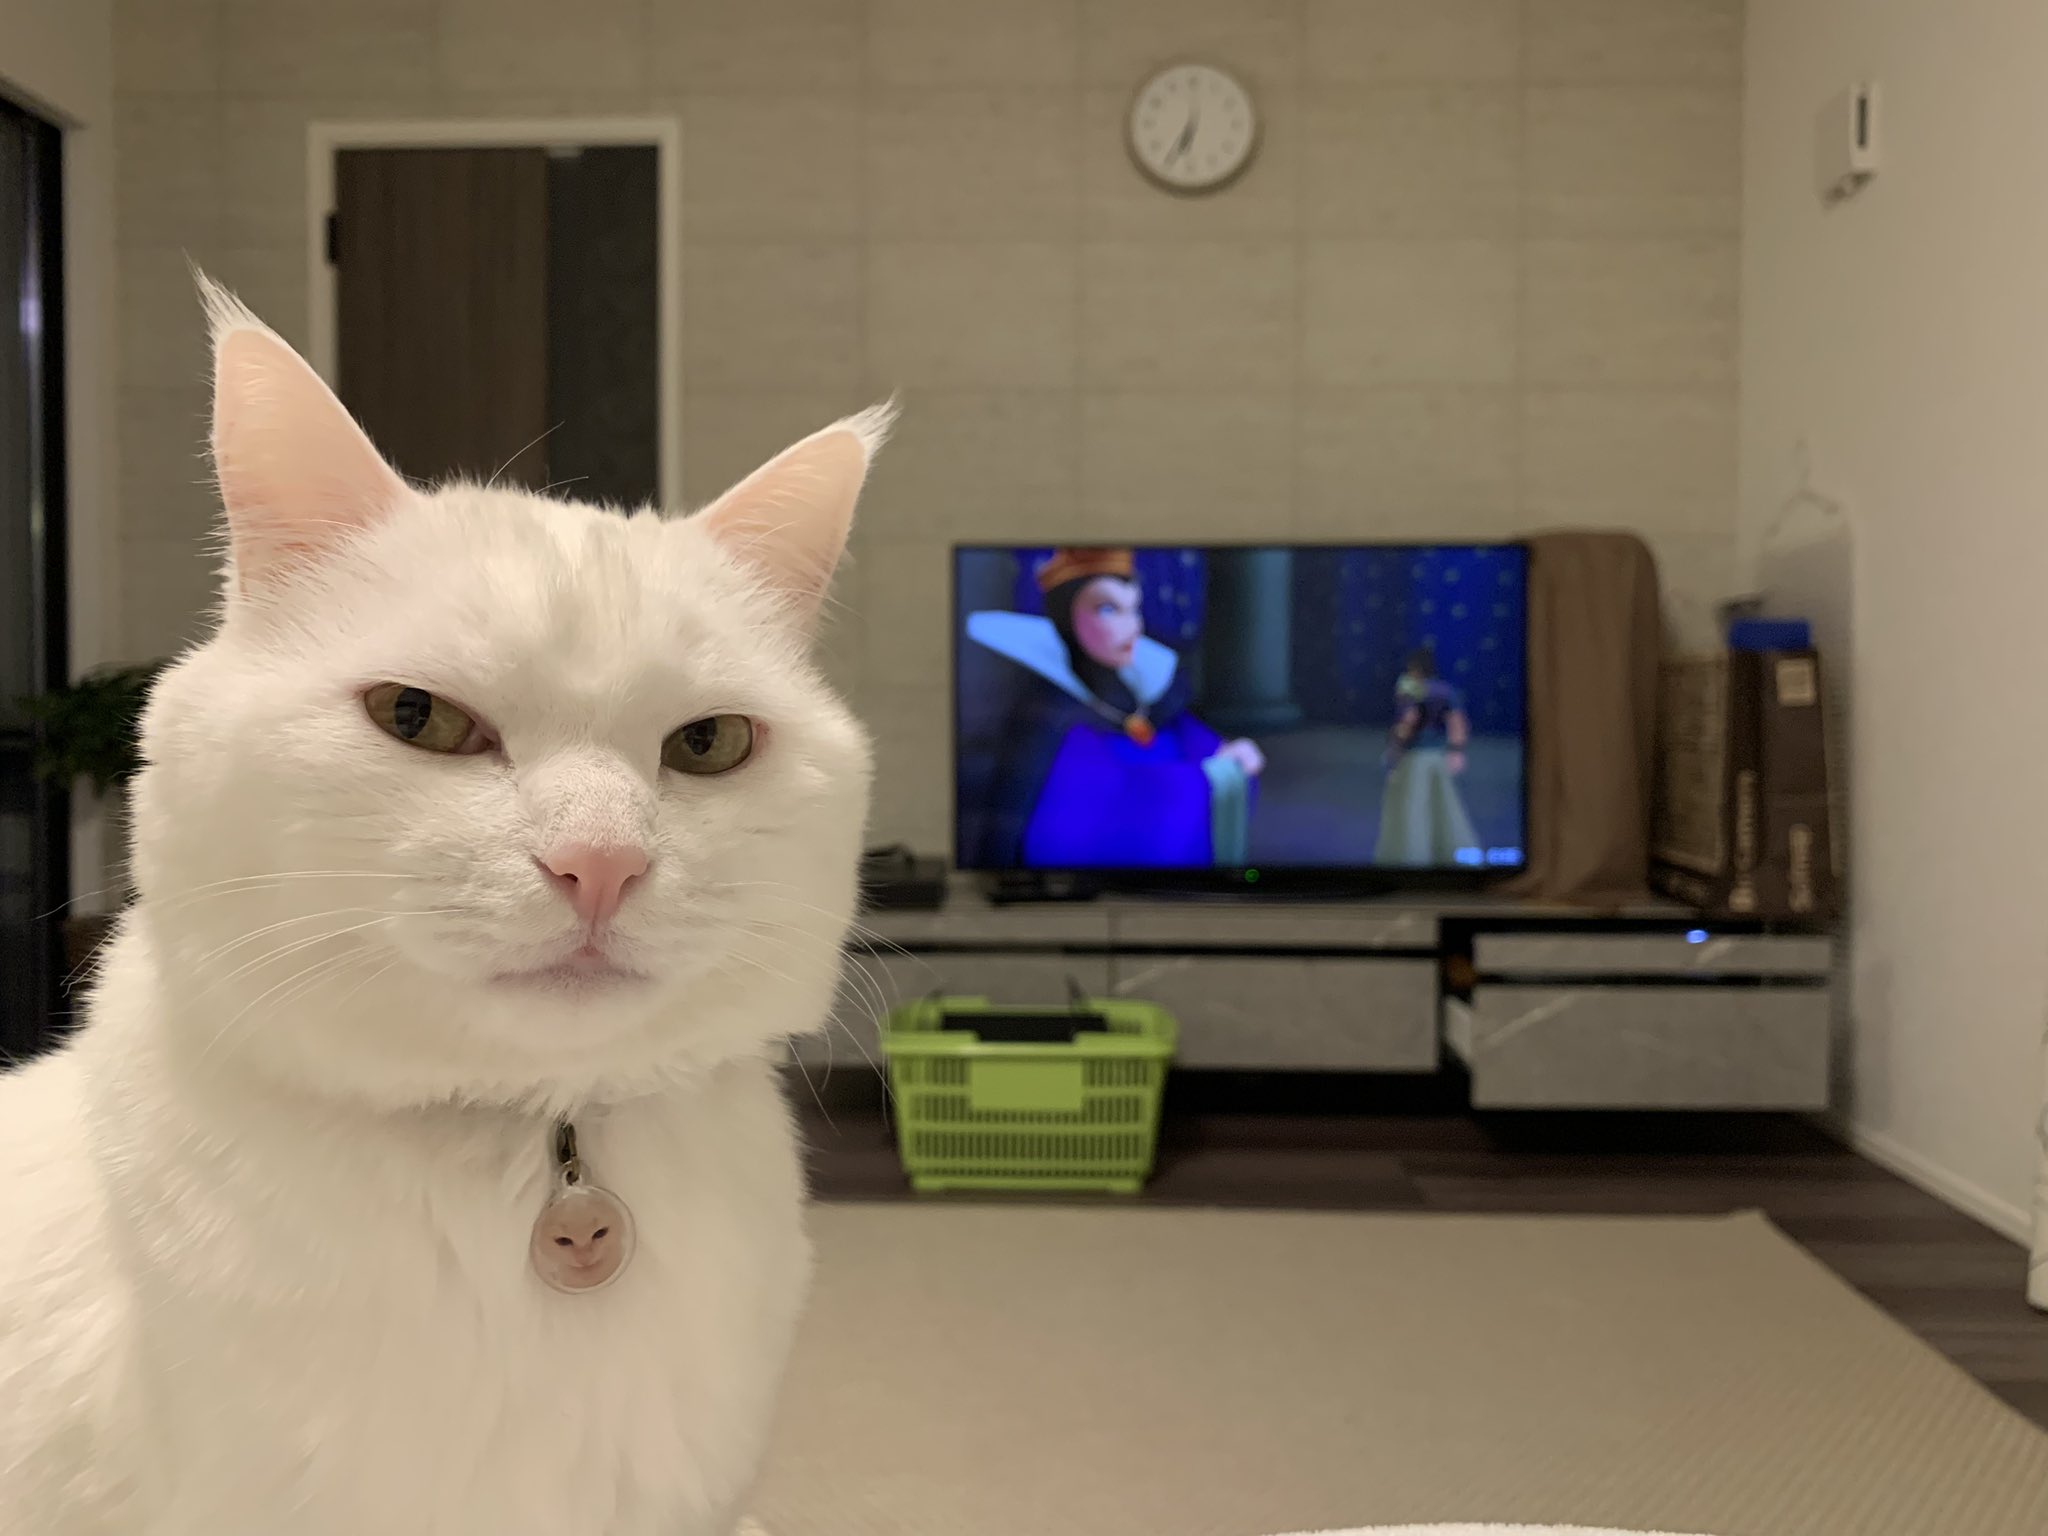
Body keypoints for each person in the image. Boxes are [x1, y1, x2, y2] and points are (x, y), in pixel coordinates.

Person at [966, 548, 1263, 868]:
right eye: (1108, 609)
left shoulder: (1141, 682)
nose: (1131, 627)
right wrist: (1205, 777)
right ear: (1066, 617)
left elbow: (1175, 728)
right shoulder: (1050, 712)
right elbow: (1081, 817)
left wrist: (1223, 751)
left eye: (1134, 609)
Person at [1374, 647, 1480, 866]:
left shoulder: (1413, 689)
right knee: (1443, 807)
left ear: (1415, 668)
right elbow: (1457, 723)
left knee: (1413, 808)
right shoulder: (1446, 690)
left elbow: (1408, 721)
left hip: (1415, 757)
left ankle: (1411, 857)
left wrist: (1394, 748)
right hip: (1438, 757)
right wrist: (1456, 751)